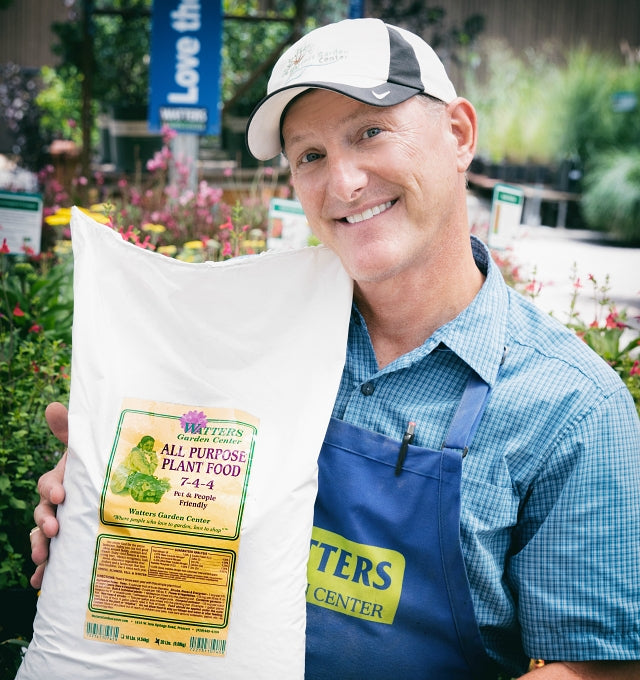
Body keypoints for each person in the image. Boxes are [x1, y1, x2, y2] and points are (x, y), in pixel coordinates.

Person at [31, 18, 640, 680]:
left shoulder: (572, 408)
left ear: (459, 134)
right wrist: (104, 517)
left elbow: (596, 672)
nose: (343, 182)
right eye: (310, 156)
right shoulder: (245, 341)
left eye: (369, 132)